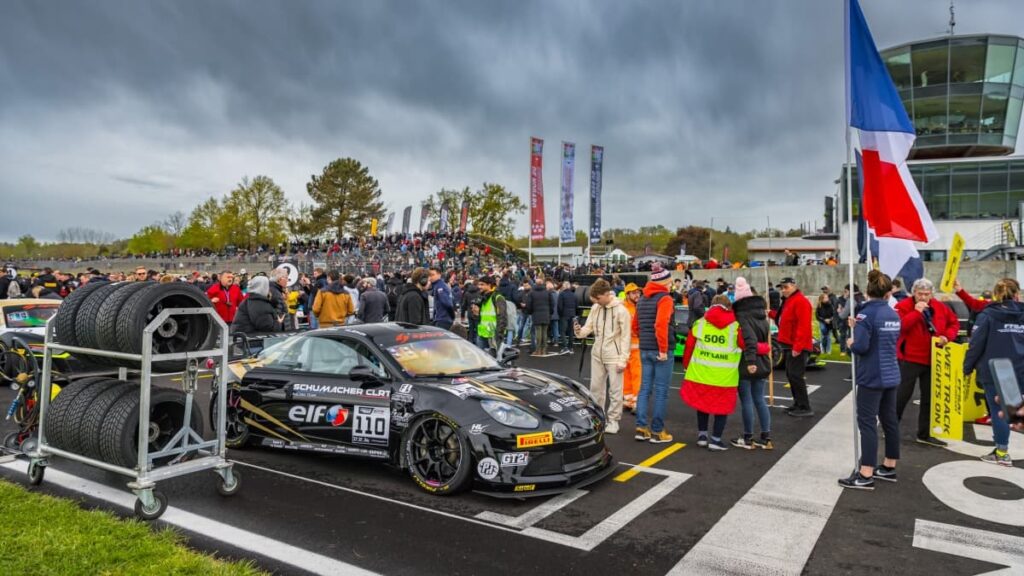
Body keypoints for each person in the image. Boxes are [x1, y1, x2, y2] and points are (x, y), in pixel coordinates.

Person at [839, 270, 901, 490]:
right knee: (889, 420)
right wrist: (858, 327)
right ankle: (889, 465)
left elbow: (862, 346)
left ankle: (865, 472)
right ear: (887, 293)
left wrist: (850, 342)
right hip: (891, 372)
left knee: (866, 422)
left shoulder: (866, 315)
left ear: (867, 292)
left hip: (872, 375)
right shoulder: (893, 314)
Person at [963, 278, 1024, 467]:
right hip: (1020, 369)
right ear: (1016, 294)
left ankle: (1001, 452)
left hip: (996, 369)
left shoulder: (988, 315)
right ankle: (1001, 451)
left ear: (996, 294)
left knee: (999, 412)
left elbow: (976, 343)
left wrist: (967, 367)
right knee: (1015, 412)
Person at [894, 278, 959, 447]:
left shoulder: (940, 307)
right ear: (913, 293)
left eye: (926, 294)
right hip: (910, 358)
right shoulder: (903, 306)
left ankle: (924, 433)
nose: (923, 297)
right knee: (902, 395)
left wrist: (948, 337)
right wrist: (916, 312)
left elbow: (954, 323)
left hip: (934, 358)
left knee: (930, 398)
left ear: (931, 294)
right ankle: (891, 428)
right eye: (919, 293)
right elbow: (901, 327)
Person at [680, 294, 743, 451]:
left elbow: (689, 347)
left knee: (702, 405)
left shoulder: (700, 324)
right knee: (721, 408)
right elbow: (745, 345)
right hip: (725, 377)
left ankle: (702, 436)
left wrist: (686, 365)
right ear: (728, 306)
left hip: (700, 374)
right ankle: (715, 439)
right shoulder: (736, 326)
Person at [574, 279, 631, 434]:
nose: (595, 302)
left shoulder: (621, 311)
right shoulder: (596, 307)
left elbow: (626, 337)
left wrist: (623, 359)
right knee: (595, 388)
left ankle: (613, 421)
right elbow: (589, 327)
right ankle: (598, 417)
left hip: (614, 356)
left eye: (598, 299)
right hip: (597, 353)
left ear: (606, 295)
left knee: (615, 391)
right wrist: (579, 331)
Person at [633, 263, 675, 443]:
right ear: (665, 281)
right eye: (670, 280)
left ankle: (641, 428)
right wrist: (663, 349)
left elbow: (635, 326)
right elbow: (661, 324)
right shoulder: (665, 299)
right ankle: (657, 431)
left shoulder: (642, 299)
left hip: (645, 348)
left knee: (644, 389)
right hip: (660, 350)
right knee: (661, 391)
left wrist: (645, 338)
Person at [730, 278, 773, 450]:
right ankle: (766, 436)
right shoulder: (762, 314)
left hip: (748, 361)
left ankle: (748, 437)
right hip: (763, 361)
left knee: (747, 400)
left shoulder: (742, 315)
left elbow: (749, 339)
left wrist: (750, 361)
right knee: (759, 400)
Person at [776, 277, 814, 417]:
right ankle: (798, 403)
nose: (783, 290)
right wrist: (771, 313)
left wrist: (797, 347)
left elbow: (803, 326)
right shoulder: (789, 301)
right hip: (788, 344)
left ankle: (805, 406)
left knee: (796, 375)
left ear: (793, 286)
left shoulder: (800, 301)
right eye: (782, 287)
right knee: (791, 375)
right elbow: (785, 319)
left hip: (797, 345)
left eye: (786, 287)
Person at [620, 283, 643, 411]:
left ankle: (636, 401)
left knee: (637, 374)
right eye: (634, 293)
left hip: (636, 347)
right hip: (624, 347)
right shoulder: (622, 308)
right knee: (625, 374)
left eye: (638, 292)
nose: (637, 295)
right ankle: (628, 399)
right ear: (627, 294)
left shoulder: (639, 307)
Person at [474, 276, 508, 353]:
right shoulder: (483, 298)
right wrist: (476, 313)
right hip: (482, 334)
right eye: (479, 285)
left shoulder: (498, 298)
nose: (479, 287)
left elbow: (503, 318)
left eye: (482, 284)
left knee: (494, 360)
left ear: (489, 285)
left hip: (493, 336)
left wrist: (499, 334)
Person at [525, 277, 552, 357]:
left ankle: (538, 350)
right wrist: (550, 312)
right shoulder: (547, 293)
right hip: (546, 314)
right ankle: (544, 349)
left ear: (535, 284)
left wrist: (530, 312)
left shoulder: (532, 293)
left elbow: (529, 305)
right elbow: (552, 304)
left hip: (536, 314)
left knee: (538, 332)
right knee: (544, 332)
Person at [557, 281, 578, 354]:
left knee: (562, 331)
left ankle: (565, 347)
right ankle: (571, 347)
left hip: (564, 315)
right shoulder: (574, 295)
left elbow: (559, 306)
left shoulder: (561, 294)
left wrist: (560, 314)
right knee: (571, 331)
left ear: (563, 286)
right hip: (572, 314)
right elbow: (576, 306)